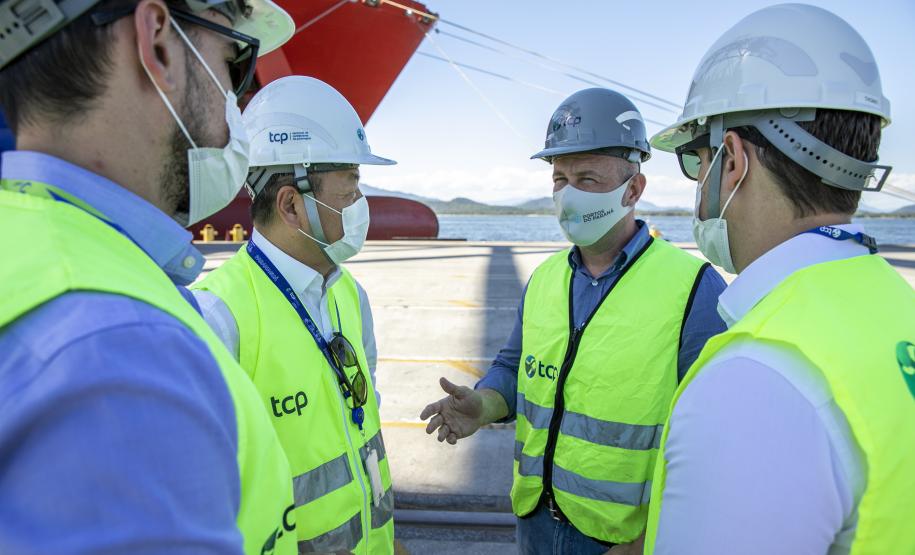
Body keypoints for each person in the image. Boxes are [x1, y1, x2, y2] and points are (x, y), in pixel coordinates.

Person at [0, 1, 300, 553]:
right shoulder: (124, 354)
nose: (237, 100)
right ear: (159, 42)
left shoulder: (25, 248)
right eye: (235, 61)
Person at [642, 4, 915, 554]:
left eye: (698, 164)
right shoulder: (893, 303)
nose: (699, 190)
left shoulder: (752, 379)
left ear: (734, 159)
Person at [420, 88, 727, 554]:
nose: (568, 195)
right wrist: (483, 405)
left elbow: (715, 442)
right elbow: (513, 365)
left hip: (623, 539)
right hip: (536, 522)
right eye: (560, 179)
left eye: (587, 178)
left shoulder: (695, 289)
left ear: (634, 189)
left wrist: (651, 543)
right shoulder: (545, 279)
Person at [193, 75, 395, 554]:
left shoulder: (350, 295)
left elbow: (362, 430)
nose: (360, 206)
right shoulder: (219, 319)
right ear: (291, 205)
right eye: (350, 191)